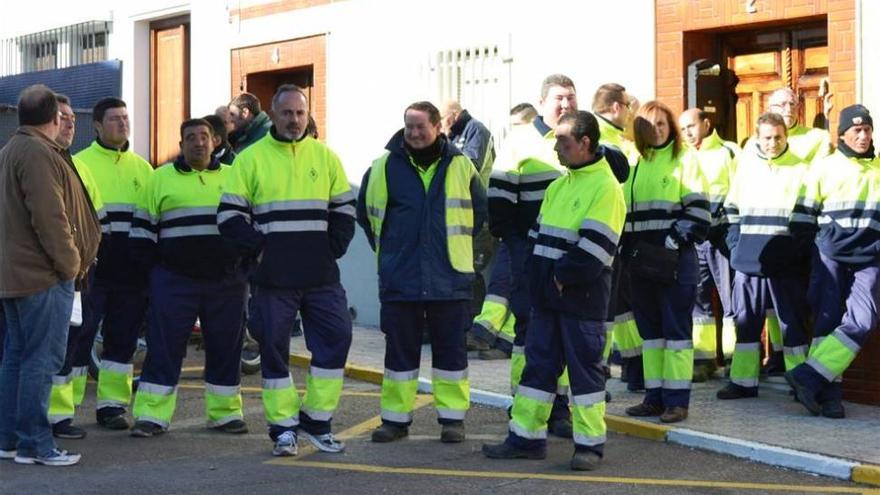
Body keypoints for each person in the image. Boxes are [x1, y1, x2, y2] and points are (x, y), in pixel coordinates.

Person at [482, 110, 625, 471]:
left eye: (563, 142)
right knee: (538, 369)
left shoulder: (606, 187)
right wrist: (537, 280)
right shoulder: (560, 185)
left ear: (585, 143)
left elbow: (594, 251)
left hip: (579, 300)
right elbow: (535, 239)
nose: (557, 148)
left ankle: (589, 446)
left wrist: (559, 278)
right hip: (548, 297)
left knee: (585, 376)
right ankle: (525, 439)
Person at [218, 84, 355, 457]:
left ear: (308, 115)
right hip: (273, 278)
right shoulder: (250, 159)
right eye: (287, 113)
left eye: (300, 113)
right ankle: (283, 429)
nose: (294, 120)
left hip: (320, 276)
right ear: (273, 115)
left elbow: (344, 211)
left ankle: (316, 421)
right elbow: (229, 217)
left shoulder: (326, 157)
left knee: (338, 338)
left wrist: (330, 251)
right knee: (274, 350)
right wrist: (260, 251)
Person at [357, 101, 485, 443]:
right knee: (399, 353)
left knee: (451, 352)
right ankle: (395, 421)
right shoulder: (383, 166)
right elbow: (366, 216)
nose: (414, 133)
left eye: (420, 127)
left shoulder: (461, 165)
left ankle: (452, 420)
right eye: (409, 126)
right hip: (401, 276)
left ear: (437, 127)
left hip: (450, 276)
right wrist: (393, 254)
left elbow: (479, 214)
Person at [129, 119, 249, 437]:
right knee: (164, 346)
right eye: (191, 137)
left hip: (226, 281)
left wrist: (244, 267)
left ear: (216, 142)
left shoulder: (234, 177)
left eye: (204, 137)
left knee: (226, 346)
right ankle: (151, 416)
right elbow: (142, 234)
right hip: (174, 280)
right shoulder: (159, 179)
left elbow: (250, 227)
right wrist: (153, 276)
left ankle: (225, 413)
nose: (198, 142)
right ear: (181, 145)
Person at [0, 84, 101, 466]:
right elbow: (50, 217)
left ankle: (10, 439)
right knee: (40, 360)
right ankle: (35, 445)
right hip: (42, 276)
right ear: (54, 118)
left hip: (17, 275)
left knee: (18, 358)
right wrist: (70, 265)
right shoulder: (39, 153)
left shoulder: (12, 149)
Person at [786, 105, 879, 419]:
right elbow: (801, 218)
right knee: (826, 323)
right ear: (842, 134)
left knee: (863, 321)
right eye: (857, 131)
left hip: (871, 257)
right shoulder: (823, 167)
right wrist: (807, 255)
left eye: (867, 130)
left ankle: (807, 376)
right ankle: (829, 396)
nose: (864, 136)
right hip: (830, 256)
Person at [623, 101, 710, 424]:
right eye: (649, 125)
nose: (657, 130)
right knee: (651, 335)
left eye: (662, 124)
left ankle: (677, 402)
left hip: (675, 262)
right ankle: (654, 397)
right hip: (641, 263)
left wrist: (672, 241)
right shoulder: (635, 163)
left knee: (675, 335)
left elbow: (700, 213)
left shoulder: (686, 159)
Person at [716, 112, 812, 401]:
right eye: (767, 137)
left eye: (778, 137)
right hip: (748, 261)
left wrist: (796, 253)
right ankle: (743, 383)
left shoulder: (802, 169)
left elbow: (808, 218)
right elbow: (730, 211)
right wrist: (735, 246)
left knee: (791, 323)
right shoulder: (745, 169)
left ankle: (800, 382)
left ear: (786, 136)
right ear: (758, 137)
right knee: (746, 322)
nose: (773, 143)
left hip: (786, 263)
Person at [75, 97, 154, 430]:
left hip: (132, 271)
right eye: (114, 119)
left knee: (122, 341)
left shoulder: (144, 168)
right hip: (92, 269)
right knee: (79, 339)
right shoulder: (79, 163)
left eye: (125, 118)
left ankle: (112, 407)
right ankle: (63, 410)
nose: (123, 124)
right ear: (96, 125)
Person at [45, 94, 108, 440]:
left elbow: (94, 221)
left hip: (77, 276)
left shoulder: (80, 166)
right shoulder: (36, 160)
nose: (70, 123)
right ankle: (31, 417)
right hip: (43, 275)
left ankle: (58, 416)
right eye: (62, 117)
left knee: (67, 345)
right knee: (34, 348)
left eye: (72, 118)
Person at [469, 103, 539, 360]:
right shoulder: (514, 148)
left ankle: (503, 340)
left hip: (534, 234)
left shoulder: (540, 149)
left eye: (518, 126)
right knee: (503, 282)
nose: (513, 132)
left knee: (521, 290)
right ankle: (485, 332)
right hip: (513, 232)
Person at [678, 108, 739, 381]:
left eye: (691, 126)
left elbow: (738, 190)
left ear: (706, 123)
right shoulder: (682, 156)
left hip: (721, 236)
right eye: (682, 129)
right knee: (698, 300)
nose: (687, 133)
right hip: (694, 239)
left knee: (730, 299)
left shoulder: (728, 151)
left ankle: (735, 359)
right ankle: (703, 362)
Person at [592, 82, 643, 391]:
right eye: (627, 106)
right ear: (615, 107)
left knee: (619, 307)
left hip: (609, 236)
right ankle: (603, 374)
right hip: (611, 236)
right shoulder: (608, 141)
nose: (629, 113)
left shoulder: (607, 136)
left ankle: (632, 366)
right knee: (608, 310)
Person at [440, 100, 495, 183]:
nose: (440, 123)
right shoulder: (453, 133)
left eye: (441, 118)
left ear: (454, 114)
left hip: (474, 194)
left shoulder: (476, 129)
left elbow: (471, 168)